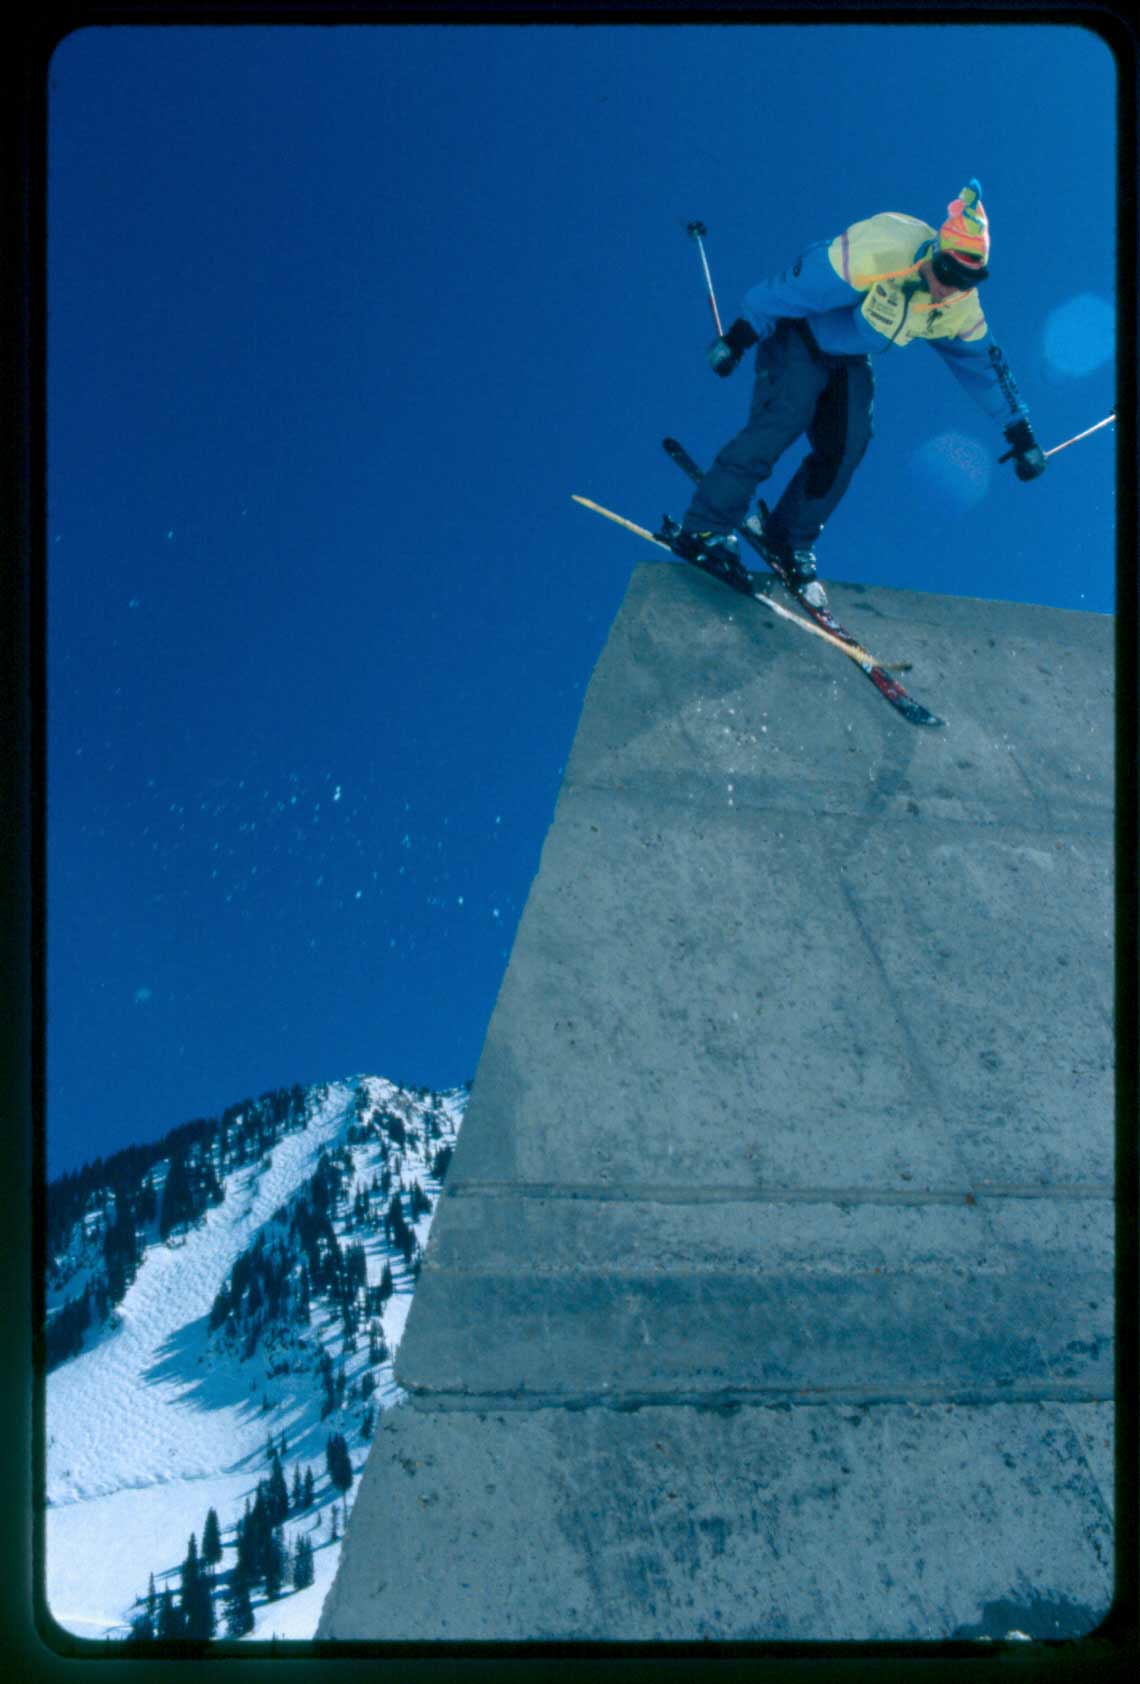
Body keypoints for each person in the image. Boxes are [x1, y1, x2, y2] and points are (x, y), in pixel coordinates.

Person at [671, 180, 1046, 607]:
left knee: (849, 444)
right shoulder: (879, 251)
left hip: (849, 357)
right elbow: (795, 287)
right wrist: (740, 336)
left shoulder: (959, 306)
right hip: (801, 330)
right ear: (934, 253)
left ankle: (788, 537)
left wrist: (1020, 432)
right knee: (785, 417)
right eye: (946, 272)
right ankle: (707, 526)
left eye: (966, 279)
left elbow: (984, 367)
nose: (949, 287)